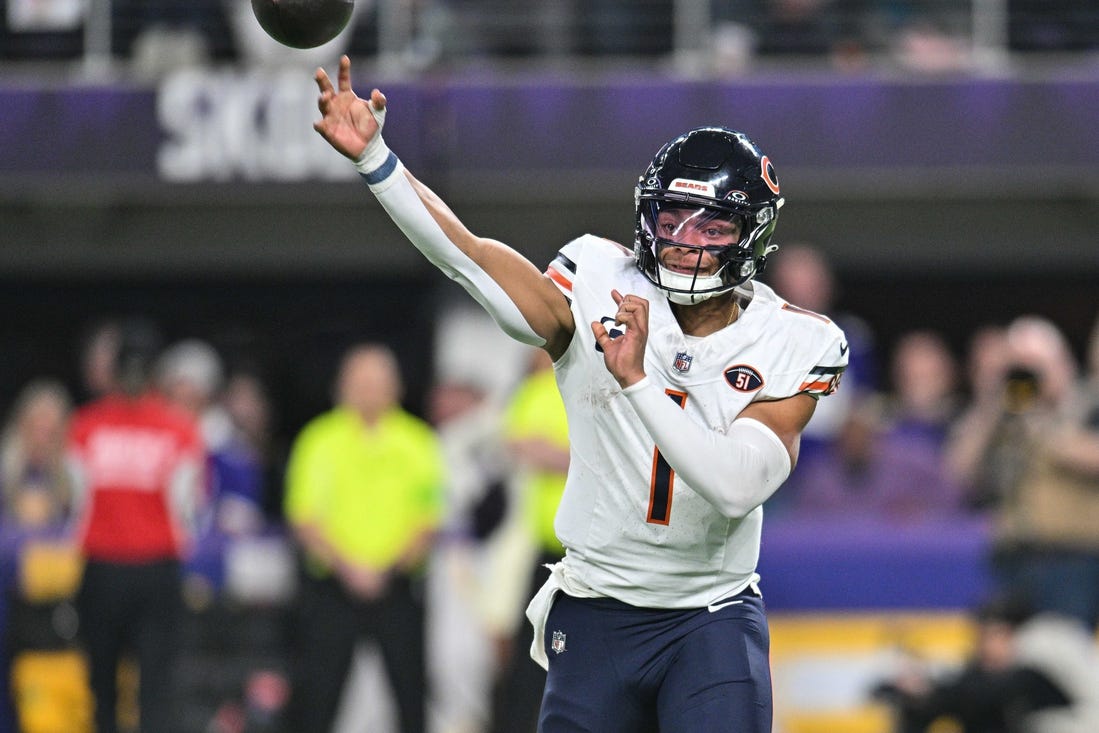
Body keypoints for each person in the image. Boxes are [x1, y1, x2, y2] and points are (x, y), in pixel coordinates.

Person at [311, 55, 847, 732]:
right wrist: (378, 164)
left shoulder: (792, 339)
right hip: (597, 605)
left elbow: (736, 484)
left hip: (708, 613)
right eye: (672, 218)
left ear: (751, 236)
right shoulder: (598, 275)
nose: (683, 243)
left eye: (710, 226)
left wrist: (636, 379)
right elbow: (473, 259)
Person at [283, 343, 445, 733]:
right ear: (342, 387)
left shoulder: (418, 441)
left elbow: (429, 518)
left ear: (396, 387)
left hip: (399, 585)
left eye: (377, 382)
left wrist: (386, 569)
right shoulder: (318, 440)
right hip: (333, 587)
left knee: (410, 696)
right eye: (360, 382)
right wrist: (350, 569)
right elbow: (303, 517)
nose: (369, 390)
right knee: (318, 697)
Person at [66, 317, 206, 733]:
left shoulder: (177, 429)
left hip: (153, 568)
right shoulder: (87, 426)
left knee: (154, 684)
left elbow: (186, 507)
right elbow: (78, 503)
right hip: (108, 566)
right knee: (105, 682)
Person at [946, 315, 1099, 632]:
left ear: (1061, 363)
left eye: (1035, 365)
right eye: (1019, 366)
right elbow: (957, 471)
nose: (1028, 376)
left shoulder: (1087, 403)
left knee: (1059, 656)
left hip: (1072, 558)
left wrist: (1042, 425)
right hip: (1013, 556)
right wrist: (991, 402)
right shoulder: (1004, 417)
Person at [488, 347, 570, 733]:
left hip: (585, 548)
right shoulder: (532, 392)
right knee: (526, 645)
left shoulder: (588, 386)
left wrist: (559, 456)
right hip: (537, 545)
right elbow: (515, 444)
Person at [872, 593, 1099, 733]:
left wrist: (927, 692)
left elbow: (991, 691)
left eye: (990, 635)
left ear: (1009, 631)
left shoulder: (1042, 645)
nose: (984, 646)